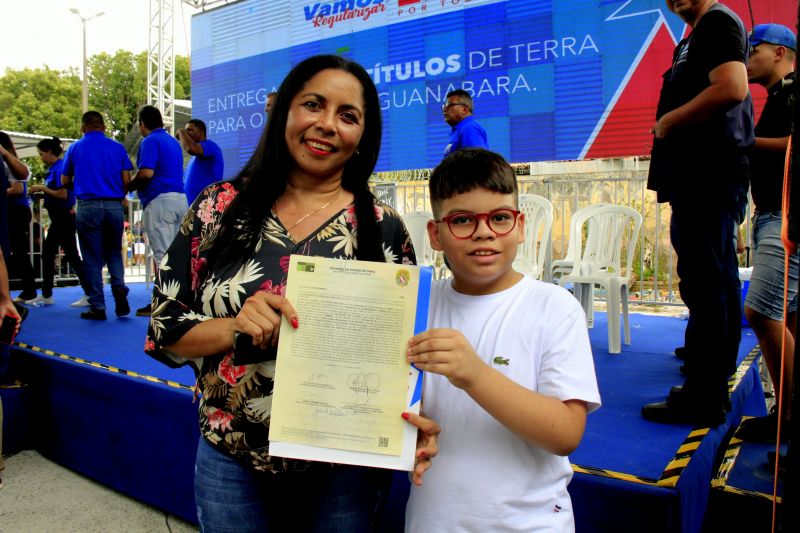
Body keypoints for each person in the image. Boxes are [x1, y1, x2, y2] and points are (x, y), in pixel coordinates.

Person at [144, 54, 439, 531]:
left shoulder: (382, 228)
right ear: (285, 112)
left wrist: (416, 416)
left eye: (348, 116)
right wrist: (235, 327)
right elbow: (165, 329)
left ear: (364, 135)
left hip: (345, 463)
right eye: (313, 105)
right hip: (231, 450)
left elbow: (399, 359)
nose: (326, 125)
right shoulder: (217, 209)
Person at [404, 148, 600, 531]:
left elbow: (565, 433)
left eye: (499, 218)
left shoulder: (553, 307)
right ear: (436, 234)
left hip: (529, 523)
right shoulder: (415, 307)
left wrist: (475, 374)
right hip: (433, 520)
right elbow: (397, 409)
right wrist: (407, 435)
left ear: (521, 225)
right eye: (462, 220)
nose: (483, 231)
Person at [643, 0, 754, 427]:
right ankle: (710, 378)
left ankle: (705, 395)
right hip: (698, 175)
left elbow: (731, 86)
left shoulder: (719, 21)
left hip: (710, 171)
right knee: (711, 276)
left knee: (707, 279)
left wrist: (670, 119)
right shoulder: (696, 34)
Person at [738, 23, 797, 442]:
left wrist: (746, 141)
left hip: (786, 216)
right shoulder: (778, 96)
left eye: (752, 50)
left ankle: (788, 418)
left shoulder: (794, 91)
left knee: (761, 311)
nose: (747, 59)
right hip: (771, 214)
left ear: (779, 51)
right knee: (785, 316)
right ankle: (785, 414)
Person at [61, 111, 133, 321]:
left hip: (88, 204)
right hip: (114, 206)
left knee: (91, 257)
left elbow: (65, 179)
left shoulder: (75, 148)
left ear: (83, 127)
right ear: (103, 126)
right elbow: (126, 179)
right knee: (113, 251)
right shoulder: (117, 147)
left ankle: (98, 306)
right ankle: (119, 288)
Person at [128, 105, 187, 317]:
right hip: (180, 199)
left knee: (163, 256)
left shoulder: (150, 141)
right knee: (178, 255)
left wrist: (126, 187)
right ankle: (179, 300)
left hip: (159, 201)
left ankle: (165, 305)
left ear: (141, 124)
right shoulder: (173, 142)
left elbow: (145, 173)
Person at [26, 137, 91, 307]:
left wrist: (41, 188)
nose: (40, 157)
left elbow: (62, 195)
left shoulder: (60, 167)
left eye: (41, 154)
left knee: (64, 255)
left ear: (49, 152)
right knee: (56, 254)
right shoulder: (56, 168)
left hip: (63, 218)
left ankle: (89, 291)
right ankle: (48, 293)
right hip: (60, 218)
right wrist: (43, 194)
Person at [0, 132, 36, 303]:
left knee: (17, 250)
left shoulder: (9, 162)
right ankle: (28, 289)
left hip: (15, 210)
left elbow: (18, 188)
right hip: (15, 209)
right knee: (17, 250)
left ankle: (28, 289)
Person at [176, 119, 225, 204]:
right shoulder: (194, 159)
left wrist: (181, 132)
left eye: (189, 130)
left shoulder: (211, 146)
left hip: (207, 207)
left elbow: (190, 148)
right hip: (191, 208)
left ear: (201, 133)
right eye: (185, 130)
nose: (186, 133)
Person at [441, 89, 488, 158]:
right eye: (444, 106)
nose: (444, 109)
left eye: (449, 105)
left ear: (464, 110)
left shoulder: (469, 128)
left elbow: (478, 162)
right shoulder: (460, 130)